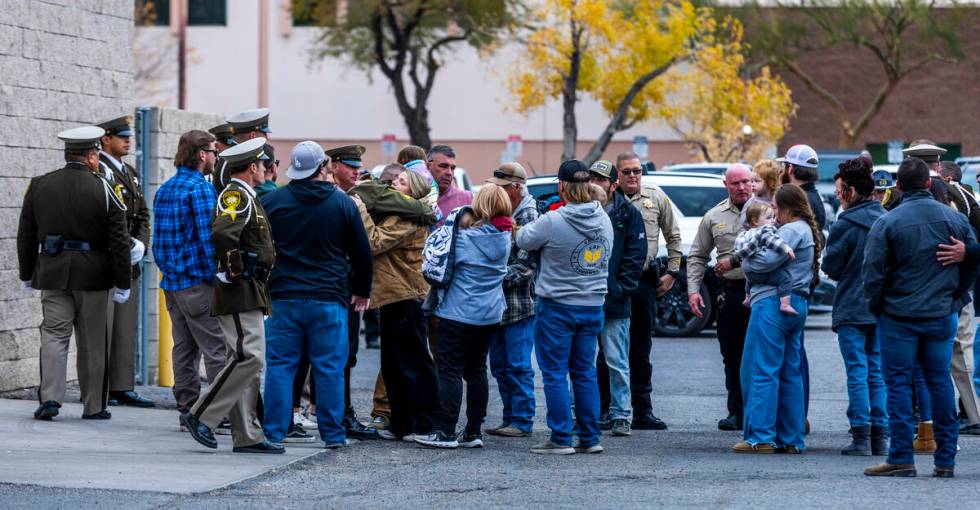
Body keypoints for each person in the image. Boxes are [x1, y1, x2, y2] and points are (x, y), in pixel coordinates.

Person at [862, 157, 979, 478]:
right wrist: (957, 296)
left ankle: (901, 456)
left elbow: (871, 272)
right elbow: (972, 257)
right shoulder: (953, 219)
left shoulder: (887, 222)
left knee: (898, 385)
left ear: (898, 186)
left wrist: (879, 306)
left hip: (898, 315)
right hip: (941, 312)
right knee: (939, 381)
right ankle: (945, 460)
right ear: (929, 183)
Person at [261, 141, 373, 449]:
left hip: (283, 297)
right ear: (322, 169)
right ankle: (333, 434)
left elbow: (260, 249)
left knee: (281, 365)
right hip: (329, 298)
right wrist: (362, 290)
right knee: (329, 368)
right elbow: (362, 254)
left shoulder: (273, 201)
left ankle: (274, 431)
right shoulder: (342, 204)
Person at [18, 126, 132, 421]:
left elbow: (26, 234)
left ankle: (50, 398)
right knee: (93, 340)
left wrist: (27, 273)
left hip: (53, 271)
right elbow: (119, 240)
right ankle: (94, 405)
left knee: (54, 335)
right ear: (93, 156)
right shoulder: (105, 188)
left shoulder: (39, 184)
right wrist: (123, 281)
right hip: (94, 275)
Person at [180, 138, 281, 454]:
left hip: (249, 289)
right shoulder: (236, 194)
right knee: (248, 357)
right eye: (263, 165)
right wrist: (236, 269)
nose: (266, 170)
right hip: (238, 289)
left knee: (246, 364)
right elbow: (223, 233)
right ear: (252, 167)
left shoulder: (247, 195)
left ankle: (247, 434)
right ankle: (201, 415)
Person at [516, 160, 613, 455]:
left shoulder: (553, 221)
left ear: (562, 186)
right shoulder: (604, 219)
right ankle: (589, 436)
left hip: (558, 304)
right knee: (584, 372)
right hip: (593, 303)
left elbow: (523, 239)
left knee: (555, 373)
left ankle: (560, 437)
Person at [415, 186, 511, 449]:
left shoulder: (464, 239)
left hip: (458, 312)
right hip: (489, 314)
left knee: (450, 372)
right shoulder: (504, 238)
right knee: (477, 371)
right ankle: (473, 431)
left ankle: (445, 431)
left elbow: (434, 256)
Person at [352, 168, 439, 442]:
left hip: (406, 296)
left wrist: (360, 209)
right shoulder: (399, 213)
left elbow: (373, 241)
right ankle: (400, 423)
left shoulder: (407, 218)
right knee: (394, 364)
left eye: (400, 182)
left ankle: (426, 424)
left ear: (412, 193)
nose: (393, 185)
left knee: (414, 362)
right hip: (394, 295)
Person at [733, 184, 819, 454]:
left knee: (762, 370)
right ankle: (791, 438)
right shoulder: (806, 230)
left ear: (785, 208)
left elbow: (759, 263)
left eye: (775, 208)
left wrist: (745, 264)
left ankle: (760, 437)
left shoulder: (790, 231)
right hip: (797, 302)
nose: (773, 214)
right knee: (790, 372)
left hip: (771, 303)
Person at [153, 130, 228, 428]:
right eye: (213, 152)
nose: (216, 157)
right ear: (201, 155)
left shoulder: (166, 188)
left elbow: (159, 241)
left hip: (172, 283)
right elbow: (210, 239)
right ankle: (215, 413)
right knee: (216, 349)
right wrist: (219, 276)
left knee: (183, 349)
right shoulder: (200, 189)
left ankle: (187, 408)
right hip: (197, 284)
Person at [823, 157, 889, 456]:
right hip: (881, 307)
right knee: (876, 371)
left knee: (857, 371)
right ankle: (880, 436)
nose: (838, 197)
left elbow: (832, 267)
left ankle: (861, 435)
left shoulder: (844, 225)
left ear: (850, 192)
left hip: (851, 305)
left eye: (839, 193)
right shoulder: (886, 219)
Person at [614, 151, 682, 431]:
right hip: (614, 282)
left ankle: (643, 410)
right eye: (627, 171)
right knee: (608, 348)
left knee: (640, 348)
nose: (633, 176)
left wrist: (673, 273)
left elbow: (674, 234)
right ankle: (609, 410)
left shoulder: (655, 197)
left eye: (637, 171)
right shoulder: (608, 198)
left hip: (643, 280)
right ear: (617, 175)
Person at [687, 163, 753, 431]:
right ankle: (736, 411)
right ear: (726, 185)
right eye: (735, 183)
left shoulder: (769, 211)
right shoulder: (714, 216)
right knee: (732, 355)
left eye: (745, 182)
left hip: (762, 293)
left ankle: (762, 410)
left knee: (763, 355)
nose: (741, 187)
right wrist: (693, 290)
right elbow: (697, 255)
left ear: (753, 182)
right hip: (731, 293)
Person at [96, 115, 154, 408]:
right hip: (108, 257)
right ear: (105, 139)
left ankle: (122, 385)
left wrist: (141, 243)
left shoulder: (128, 171)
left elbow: (142, 212)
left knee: (125, 325)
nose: (128, 141)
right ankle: (102, 387)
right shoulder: (100, 170)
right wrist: (124, 243)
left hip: (130, 256)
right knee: (103, 326)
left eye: (129, 136)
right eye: (122, 136)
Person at [324, 144, 381, 439]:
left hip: (345, 283)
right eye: (350, 166)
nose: (357, 171)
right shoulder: (333, 197)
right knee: (338, 353)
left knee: (347, 354)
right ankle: (338, 416)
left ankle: (340, 414)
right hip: (336, 283)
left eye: (358, 166)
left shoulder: (354, 197)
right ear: (333, 166)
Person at [589, 160, 647, 437]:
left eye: (601, 180)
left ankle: (621, 414)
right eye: (591, 179)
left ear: (613, 185)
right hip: (585, 299)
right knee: (584, 361)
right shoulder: (582, 211)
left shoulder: (628, 214)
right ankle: (587, 413)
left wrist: (620, 288)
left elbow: (636, 255)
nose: (595, 184)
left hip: (614, 299)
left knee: (616, 360)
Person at [484, 163, 540, 438]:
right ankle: (510, 418)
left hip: (519, 305)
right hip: (498, 304)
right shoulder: (504, 211)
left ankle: (522, 420)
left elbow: (527, 267)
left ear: (516, 187)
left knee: (517, 365)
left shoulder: (528, 214)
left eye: (502, 187)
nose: (497, 191)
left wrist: (489, 275)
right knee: (500, 365)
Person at [734, 201, 797, 315]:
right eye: (769, 217)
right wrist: (786, 248)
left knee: (749, 280)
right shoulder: (765, 230)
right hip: (762, 274)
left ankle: (747, 298)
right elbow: (773, 241)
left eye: (773, 217)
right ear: (755, 221)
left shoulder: (745, 234)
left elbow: (739, 251)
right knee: (785, 279)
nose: (773, 220)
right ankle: (785, 304)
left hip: (749, 275)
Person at [215, 108, 271, 193]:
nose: (267, 138)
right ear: (253, 135)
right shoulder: (235, 161)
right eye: (264, 134)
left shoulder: (235, 157)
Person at [779, 144, 825, 231]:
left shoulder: (798, 201)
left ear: (790, 168)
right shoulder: (815, 197)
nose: (781, 170)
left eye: (783, 165)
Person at [427, 144, 473, 226]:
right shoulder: (414, 196)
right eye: (443, 166)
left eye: (452, 168)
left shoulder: (467, 198)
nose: (449, 173)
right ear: (428, 166)